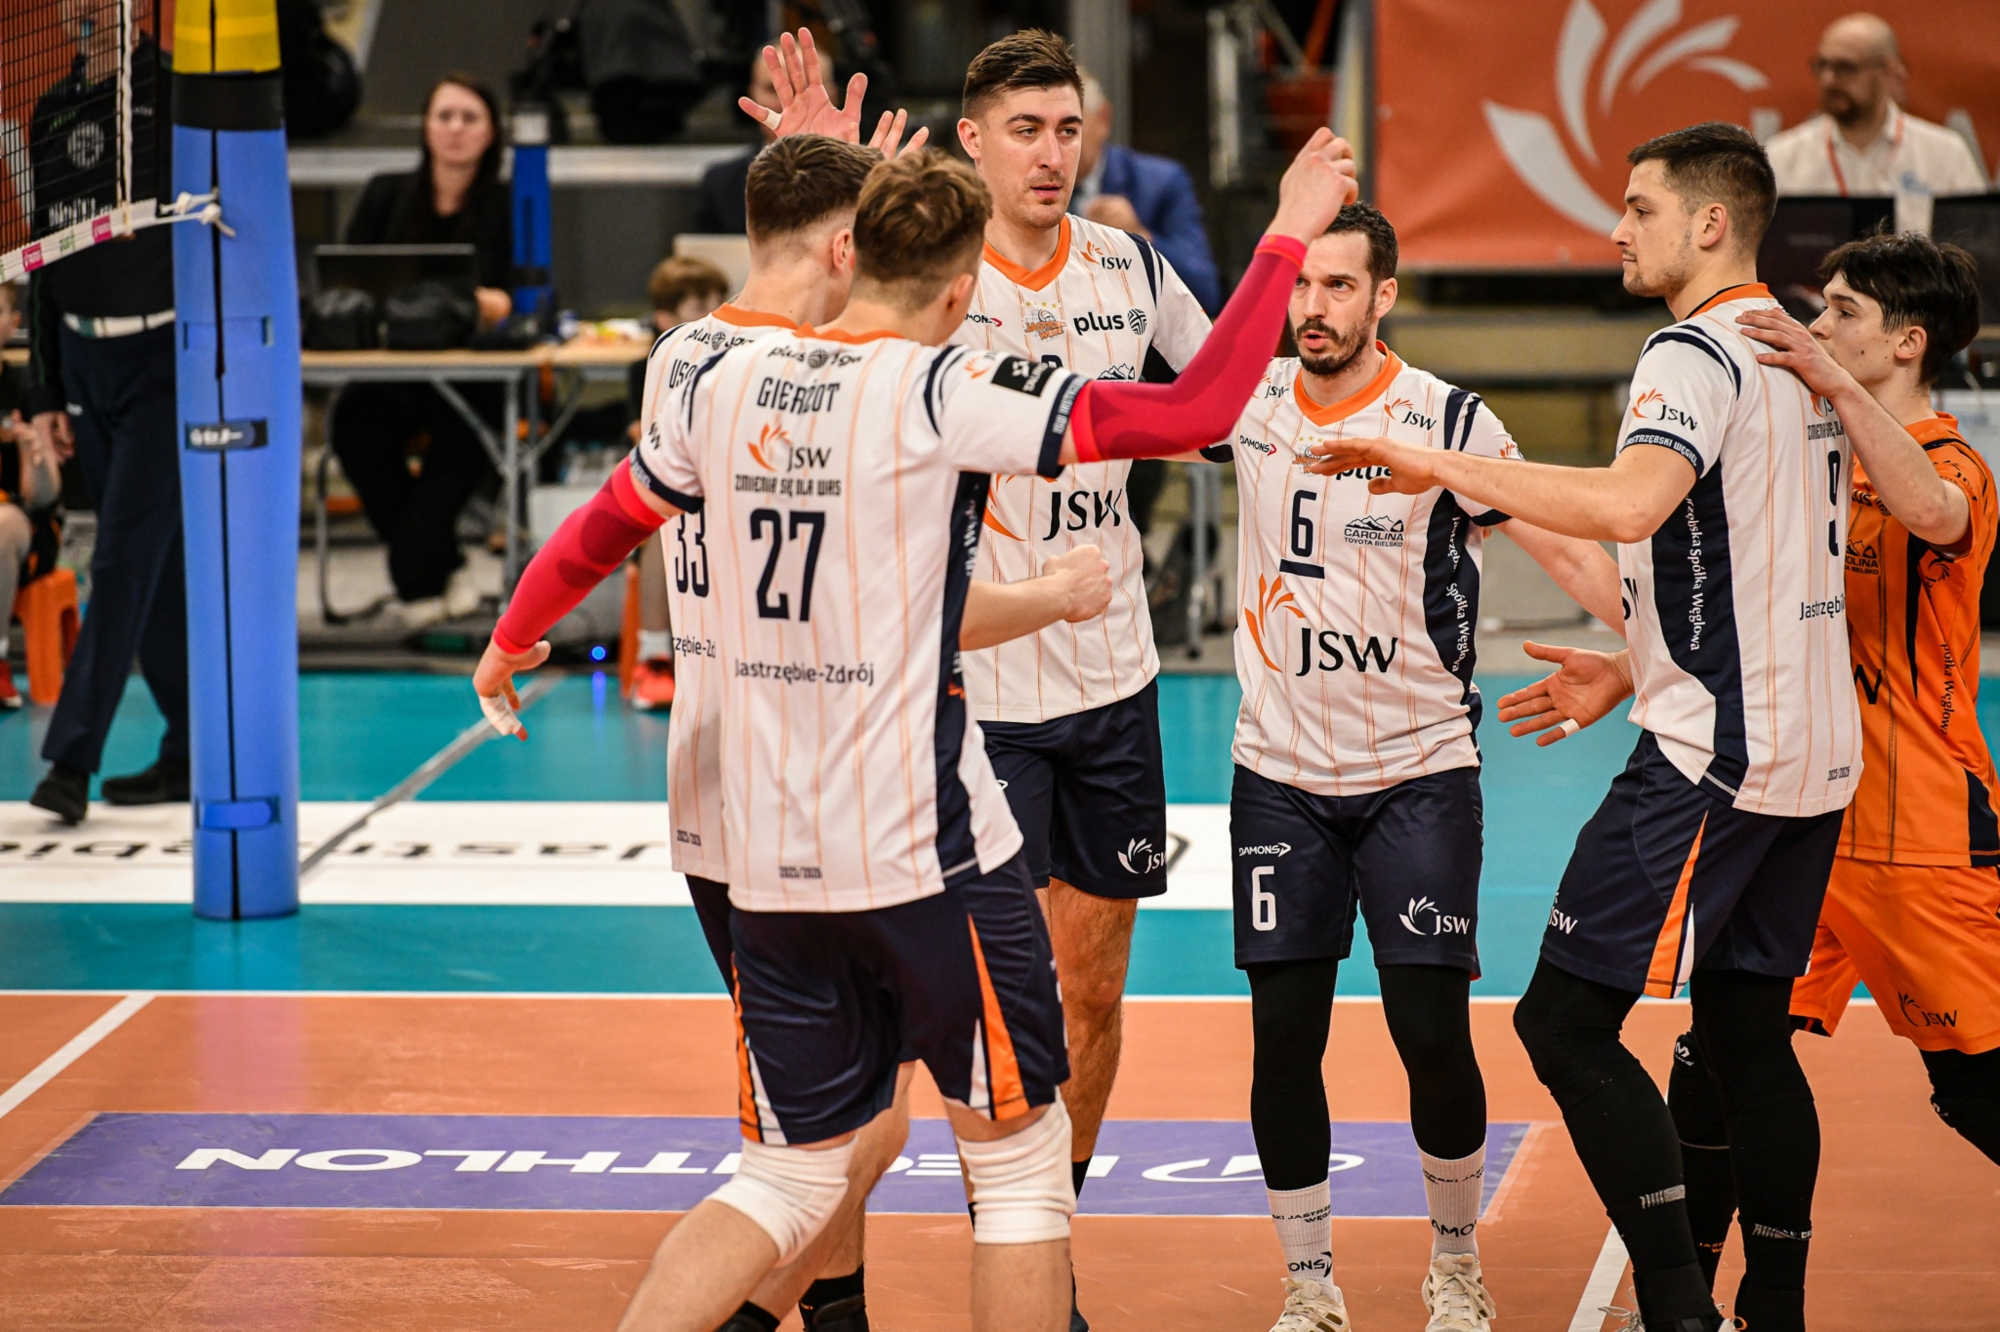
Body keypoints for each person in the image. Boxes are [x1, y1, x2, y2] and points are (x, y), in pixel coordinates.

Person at [472, 130, 1359, 1332]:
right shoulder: (945, 392)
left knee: (785, 1177)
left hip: (768, 861)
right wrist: (1286, 232)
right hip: (925, 851)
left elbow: (606, 520)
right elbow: (1198, 406)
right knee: (1017, 1168)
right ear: (957, 293)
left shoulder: (721, 377)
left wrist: (511, 635)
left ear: (854, 254)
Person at [1307, 124, 1858, 1332]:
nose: (1614, 229)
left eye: (1637, 208)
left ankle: (1674, 1308)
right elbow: (1752, 557)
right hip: (1815, 750)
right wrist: (1632, 662)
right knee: (1745, 1036)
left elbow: (1628, 505)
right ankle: (1772, 1307)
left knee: (1560, 1023)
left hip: (1714, 755)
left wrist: (1440, 464)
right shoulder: (1795, 347)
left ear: (1708, 223)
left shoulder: (1689, 352)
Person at [1503, 232, 2000, 1304]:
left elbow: (1931, 513)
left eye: (1843, 313)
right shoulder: (1814, 453)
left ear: (1907, 343)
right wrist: (1629, 672)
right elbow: (1762, 620)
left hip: (1914, 835)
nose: (1815, 327)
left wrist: (1828, 382)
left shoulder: (1949, 464)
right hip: (1799, 801)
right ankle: (1727, 1301)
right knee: (1721, 1051)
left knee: (1974, 1086)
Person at [1204, 201, 1623, 1332]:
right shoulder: (1246, 402)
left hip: (1417, 771)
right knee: (1283, 1041)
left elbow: (1563, 543)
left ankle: (1454, 1261)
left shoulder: (1446, 418)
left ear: (1383, 295)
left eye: (1338, 286)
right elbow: (1129, 406)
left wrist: (1654, 656)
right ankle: (1308, 1284)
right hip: (1277, 773)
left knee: (1430, 1034)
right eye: (1300, 285)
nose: (1312, 308)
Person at [951, 32, 1214, 1328]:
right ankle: (1011, 1245)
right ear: (972, 143)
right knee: (1004, 1011)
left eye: (1066, 129)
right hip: (981, 690)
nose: (1051, 154)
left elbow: (1223, 398)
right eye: (1024, 130)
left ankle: (1044, 1249)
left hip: (1112, 683)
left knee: (1094, 992)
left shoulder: (1128, 265)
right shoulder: (935, 277)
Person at [26, 2, 189, 824]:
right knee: (156, 570)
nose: (86, 6)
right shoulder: (52, 108)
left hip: (166, 362)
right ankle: (193, 751)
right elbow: (42, 256)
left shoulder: (182, 98)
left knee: (120, 559)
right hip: (86, 363)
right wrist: (47, 392)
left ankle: (69, 762)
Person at [330, 74, 513, 627]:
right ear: (426, 127)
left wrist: (495, 305)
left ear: (491, 132)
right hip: (392, 367)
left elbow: (517, 296)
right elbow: (349, 280)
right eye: (444, 116)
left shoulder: (507, 205)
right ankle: (438, 569)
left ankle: (418, 580)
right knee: (354, 426)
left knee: (464, 442)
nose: (455, 129)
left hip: (473, 374)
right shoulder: (385, 193)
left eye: (469, 117)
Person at [628, 255, 730, 711]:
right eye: (698, 306)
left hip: (727, 483)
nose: (712, 315)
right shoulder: (652, 364)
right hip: (672, 485)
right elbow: (645, 438)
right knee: (661, 520)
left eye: (718, 303)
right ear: (665, 318)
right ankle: (653, 657)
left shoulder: (739, 361)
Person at [1765, 13, 1986, 202]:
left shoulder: (1944, 154)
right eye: (1822, 66)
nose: (1828, 80)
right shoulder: (1783, 157)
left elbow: (1976, 236)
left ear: (1887, 71)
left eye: (1845, 67)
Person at [1073, 71, 1220, 314]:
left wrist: (1137, 239)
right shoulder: (1023, 186)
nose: (1053, 144)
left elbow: (1205, 292)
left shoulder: (1160, 183)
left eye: (1069, 127)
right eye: (1034, 130)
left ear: (1103, 119)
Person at [0, 281, 64, 711]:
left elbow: (44, 496)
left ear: (14, 323)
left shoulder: (27, 390)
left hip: (25, 528)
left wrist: (33, 456)